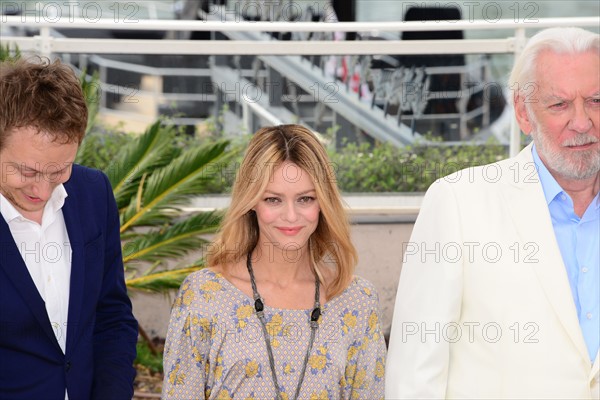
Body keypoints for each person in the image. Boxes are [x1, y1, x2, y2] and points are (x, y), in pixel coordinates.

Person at [385, 26, 599, 398]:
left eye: (596, 100)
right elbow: (415, 377)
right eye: (559, 104)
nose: (581, 122)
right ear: (523, 111)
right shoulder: (457, 203)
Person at [162, 124, 386, 399]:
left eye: (305, 198)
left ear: (323, 203)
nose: (291, 216)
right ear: (252, 202)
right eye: (273, 199)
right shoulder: (204, 295)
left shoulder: (356, 300)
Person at [0, 57, 138, 399]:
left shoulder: (95, 192)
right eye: (28, 172)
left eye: (60, 170)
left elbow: (112, 314)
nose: (43, 191)